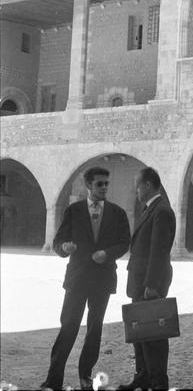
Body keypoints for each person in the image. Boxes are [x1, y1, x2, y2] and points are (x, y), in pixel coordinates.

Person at [40, 167, 131, 391]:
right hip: (78, 279)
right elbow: (58, 241)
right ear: (88, 185)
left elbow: (124, 242)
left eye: (106, 184)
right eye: (99, 184)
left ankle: (85, 376)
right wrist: (64, 247)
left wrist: (107, 254)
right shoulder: (73, 211)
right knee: (69, 326)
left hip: (102, 280)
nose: (104, 188)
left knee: (95, 329)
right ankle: (53, 380)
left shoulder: (117, 213)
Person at [118, 167, 176, 391]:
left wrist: (152, 285)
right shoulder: (150, 209)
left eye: (138, 186)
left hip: (149, 284)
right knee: (140, 331)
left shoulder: (160, 211)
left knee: (154, 334)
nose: (136, 191)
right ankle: (142, 376)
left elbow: (159, 251)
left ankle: (158, 381)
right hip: (140, 282)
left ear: (148, 185)